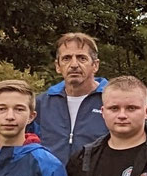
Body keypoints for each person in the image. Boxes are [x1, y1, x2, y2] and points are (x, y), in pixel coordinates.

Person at [33, 32, 108, 161]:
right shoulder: (41, 104)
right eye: (66, 58)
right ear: (58, 66)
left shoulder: (112, 102)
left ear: (95, 65)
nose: (74, 64)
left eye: (81, 58)